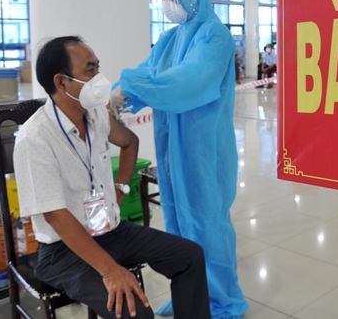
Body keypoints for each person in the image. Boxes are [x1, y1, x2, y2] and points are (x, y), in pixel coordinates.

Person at [13, 35, 211, 319]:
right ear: (61, 82)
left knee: (189, 256)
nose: (99, 78)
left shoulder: (95, 115)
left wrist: (120, 188)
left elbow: (129, 143)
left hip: (110, 230)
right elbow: (55, 215)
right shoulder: (35, 138)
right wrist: (110, 270)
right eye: (89, 70)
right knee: (138, 314)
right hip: (64, 251)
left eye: (97, 68)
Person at [112, 0, 249, 319]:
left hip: (204, 151)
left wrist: (134, 85)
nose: (166, 2)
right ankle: (188, 290)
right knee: (177, 222)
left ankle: (220, 300)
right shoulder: (171, 38)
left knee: (207, 224)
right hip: (173, 150)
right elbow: (149, 71)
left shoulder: (214, 36)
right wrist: (116, 92)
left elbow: (191, 81)